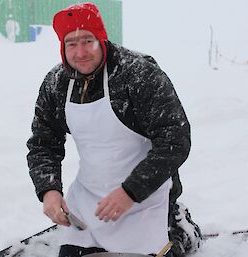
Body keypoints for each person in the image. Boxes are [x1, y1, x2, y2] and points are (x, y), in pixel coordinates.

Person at [27, 3, 202, 257]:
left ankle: (179, 226)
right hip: (89, 203)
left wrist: (130, 192)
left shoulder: (139, 74)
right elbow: (43, 142)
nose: (81, 52)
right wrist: (49, 191)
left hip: (145, 199)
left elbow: (175, 139)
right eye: (71, 44)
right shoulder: (57, 83)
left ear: (101, 38)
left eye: (88, 40)